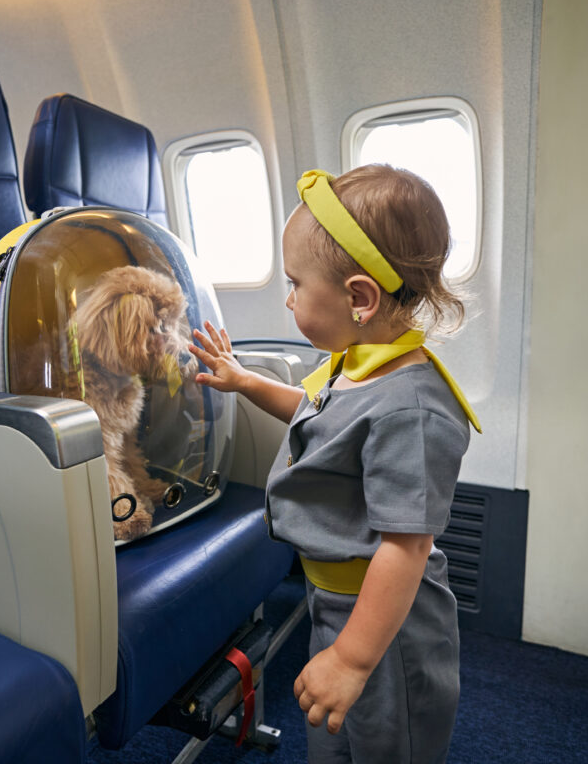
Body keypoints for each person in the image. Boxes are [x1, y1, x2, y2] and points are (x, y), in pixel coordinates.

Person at [188, 165, 481, 763]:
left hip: (390, 626)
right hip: (338, 603)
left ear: (360, 297)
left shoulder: (412, 407)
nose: (288, 296)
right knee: (333, 743)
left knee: (385, 744)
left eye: (296, 283)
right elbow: (315, 413)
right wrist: (245, 382)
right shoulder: (360, 365)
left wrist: (353, 657)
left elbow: (407, 548)